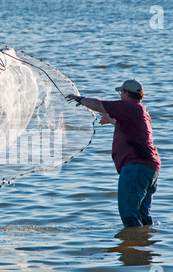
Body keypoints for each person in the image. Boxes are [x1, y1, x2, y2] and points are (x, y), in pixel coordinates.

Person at [66, 79, 161, 228]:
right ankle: (146, 245)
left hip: (136, 166)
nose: (120, 95)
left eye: (121, 92)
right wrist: (111, 120)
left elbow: (98, 104)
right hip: (150, 168)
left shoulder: (127, 106)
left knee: (129, 215)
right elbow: (128, 127)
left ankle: (132, 248)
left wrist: (80, 99)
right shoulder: (140, 110)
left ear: (126, 93)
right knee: (143, 216)